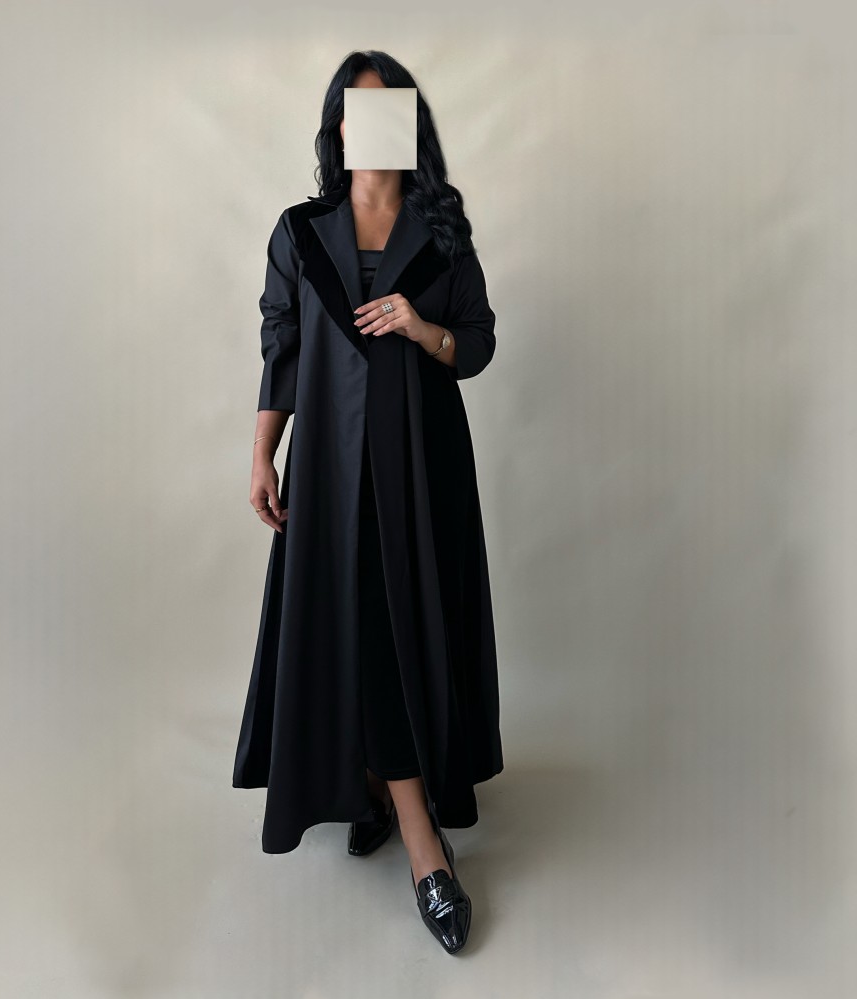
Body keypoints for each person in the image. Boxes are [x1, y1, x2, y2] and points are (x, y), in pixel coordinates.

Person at [233, 50, 503, 955]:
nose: (372, 125)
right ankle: (410, 824)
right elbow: (282, 349)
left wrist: (421, 328)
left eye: (391, 110)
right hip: (330, 472)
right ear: (339, 127)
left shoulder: (441, 231)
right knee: (351, 623)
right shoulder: (301, 231)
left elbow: (477, 344)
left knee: (396, 624)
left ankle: (404, 815)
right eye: (357, 110)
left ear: (409, 126)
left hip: (423, 471)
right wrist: (262, 453)